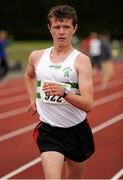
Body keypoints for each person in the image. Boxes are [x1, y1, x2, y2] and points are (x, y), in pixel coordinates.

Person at [24, 5, 95, 179]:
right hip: (49, 132)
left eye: (66, 27)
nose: (61, 32)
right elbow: (29, 76)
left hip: (76, 131)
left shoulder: (81, 61)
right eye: (56, 27)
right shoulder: (37, 56)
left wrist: (64, 93)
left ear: (74, 28)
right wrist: (33, 98)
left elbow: (88, 104)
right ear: (49, 28)